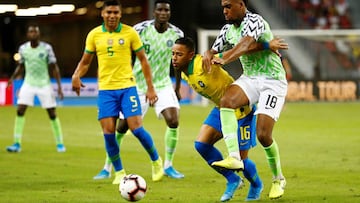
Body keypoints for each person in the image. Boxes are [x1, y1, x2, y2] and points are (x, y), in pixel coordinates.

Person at [173, 37, 286, 202]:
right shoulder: (182, 69)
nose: (174, 58)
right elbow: (178, 72)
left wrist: (267, 45)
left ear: (190, 55)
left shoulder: (203, 63)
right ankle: (233, 180)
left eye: (179, 54)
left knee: (242, 161)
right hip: (221, 109)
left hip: (241, 110)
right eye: (173, 54)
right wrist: (176, 88)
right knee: (201, 144)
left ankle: (256, 184)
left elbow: (233, 51)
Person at [203, 0, 288, 200]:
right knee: (226, 101)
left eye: (228, 6)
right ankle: (234, 157)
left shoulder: (255, 20)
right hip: (250, 78)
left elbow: (244, 45)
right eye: (223, 7)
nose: (225, 10)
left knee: (263, 135)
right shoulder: (226, 30)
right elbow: (213, 50)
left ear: (241, 5)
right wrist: (208, 54)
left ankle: (278, 179)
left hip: (272, 81)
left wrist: (225, 57)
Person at [71, 0, 163, 184]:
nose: (112, 16)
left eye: (115, 12)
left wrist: (150, 87)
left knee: (136, 128)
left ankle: (156, 161)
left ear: (120, 14)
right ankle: (119, 172)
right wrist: (76, 75)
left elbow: (143, 60)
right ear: (102, 14)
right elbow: (86, 61)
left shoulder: (130, 33)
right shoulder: (94, 35)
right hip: (106, 90)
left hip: (127, 87)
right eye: (109, 12)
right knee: (108, 132)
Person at [93, 0, 185, 180]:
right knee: (121, 127)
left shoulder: (177, 33)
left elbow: (178, 63)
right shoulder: (139, 30)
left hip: (163, 84)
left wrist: (177, 86)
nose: (163, 13)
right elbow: (125, 53)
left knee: (173, 121)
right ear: (154, 12)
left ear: (169, 12)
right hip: (136, 85)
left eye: (167, 10)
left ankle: (168, 166)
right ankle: (107, 167)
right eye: (160, 9)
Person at [6, 25, 66, 153]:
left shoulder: (46, 48)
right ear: (27, 34)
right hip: (28, 83)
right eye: (31, 32)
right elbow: (21, 66)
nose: (33, 34)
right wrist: (12, 79)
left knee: (52, 113)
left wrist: (59, 87)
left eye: (35, 32)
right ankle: (17, 143)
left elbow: (54, 67)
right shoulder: (23, 49)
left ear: (39, 34)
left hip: (44, 84)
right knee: (20, 110)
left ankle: (60, 143)